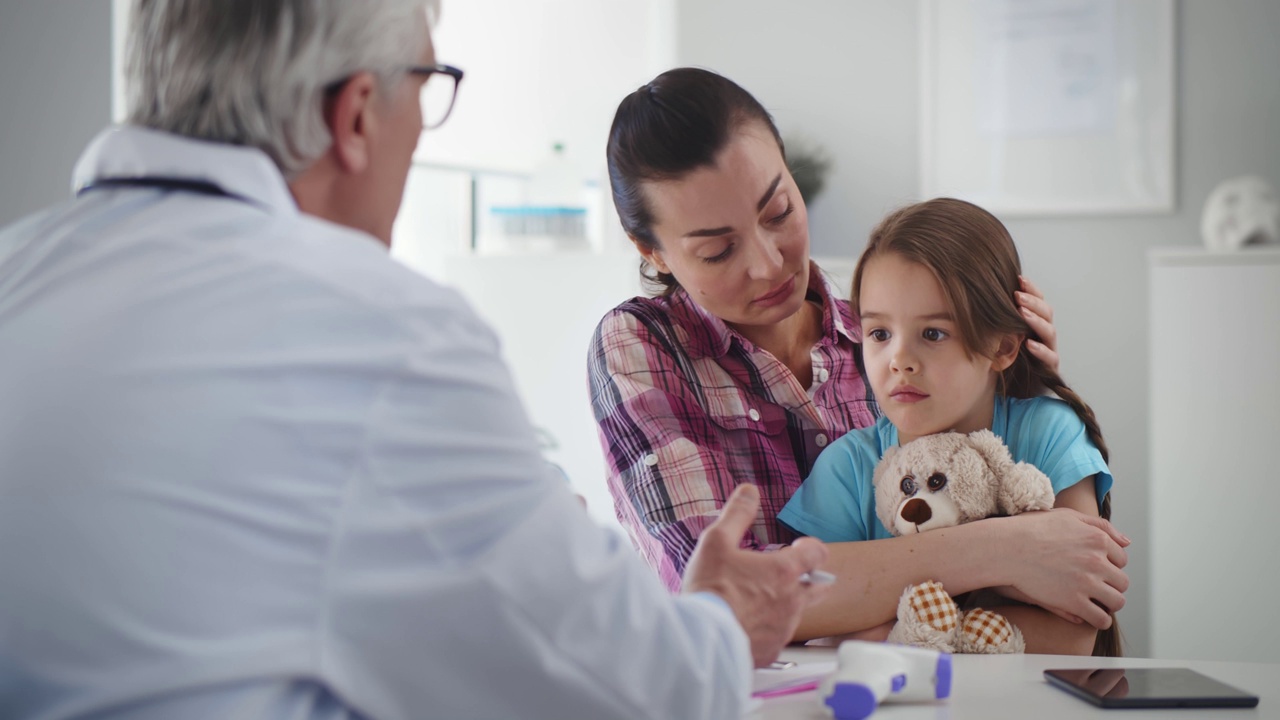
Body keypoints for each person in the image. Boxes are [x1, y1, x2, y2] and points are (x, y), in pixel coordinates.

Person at [0, 3, 830, 719]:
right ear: (356, 114)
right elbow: (621, 687)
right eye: (430, 89)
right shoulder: (379, 331)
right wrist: (720, 628)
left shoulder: (18, 273)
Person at [589, 67, 1128, 640]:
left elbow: (1074, 595)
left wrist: (1011, 388)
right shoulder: (643, 348)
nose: (769, 264)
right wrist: (1011, 548)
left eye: (779, 213)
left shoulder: (877, 339)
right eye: (719, 251)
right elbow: (723, 600)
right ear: (654, 251)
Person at [778, 197, 1120, 656]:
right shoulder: (848, 465)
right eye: (879, 334)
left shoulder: (1048, 433)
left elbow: (1074, 633)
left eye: (933, 334)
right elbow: (801, 609)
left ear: (1001, 347)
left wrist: (886, 634)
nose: (899, 360)